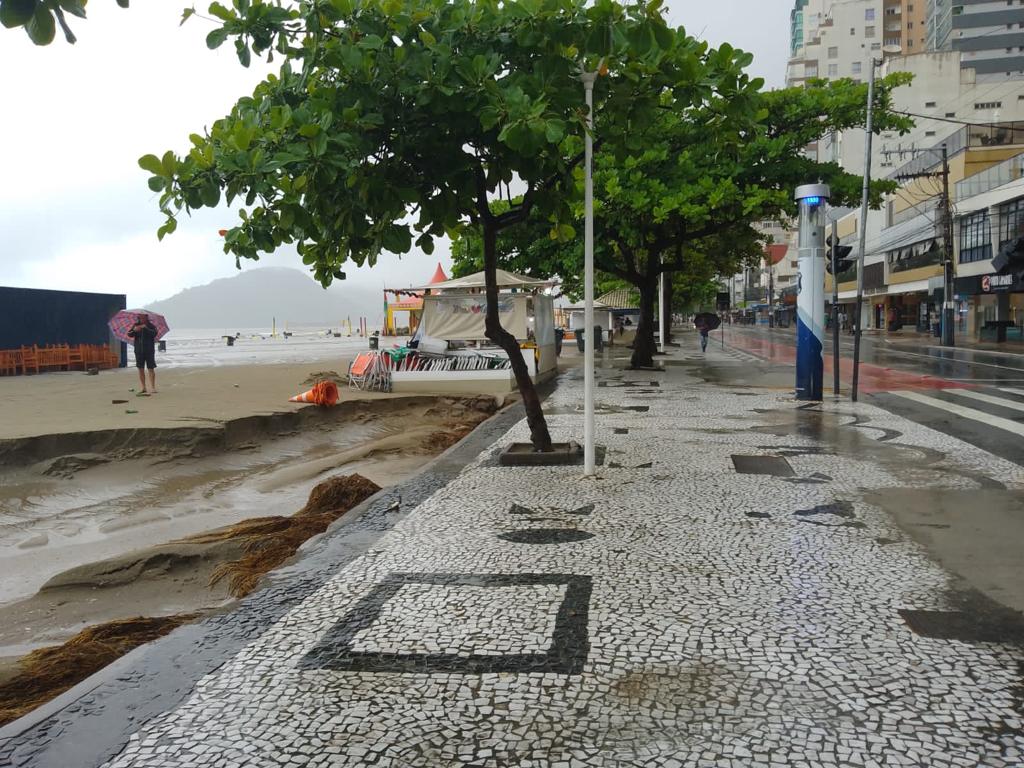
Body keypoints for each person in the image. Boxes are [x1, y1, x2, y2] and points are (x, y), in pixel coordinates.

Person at [127, 313, 158, 394]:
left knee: (151, 368)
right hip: (138, 351)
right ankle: (143, 387)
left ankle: (153, 387)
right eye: (140, 318)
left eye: (143, 317)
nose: (142, 319)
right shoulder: (136, 325)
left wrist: (146, 328)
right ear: (138, 318)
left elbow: (154, 334)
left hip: (149, 350)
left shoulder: (151, 325)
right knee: (140, 369)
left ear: (147, 318)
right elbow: (129, 334)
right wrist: (134, 330)